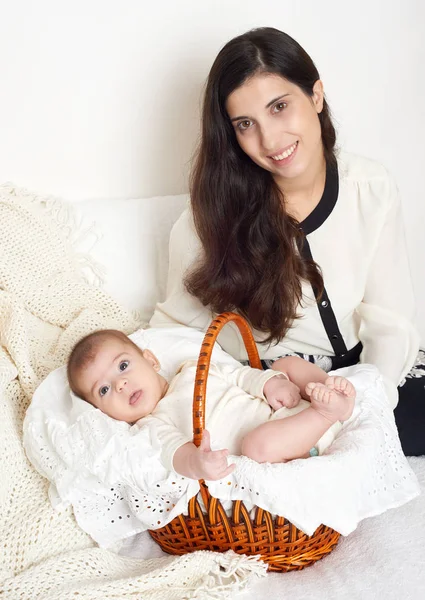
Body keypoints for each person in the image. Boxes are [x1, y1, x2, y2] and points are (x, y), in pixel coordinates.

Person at [149, 27, 424, 456]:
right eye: (246, 124)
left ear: (315, 95)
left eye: (279, 107)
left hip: (365, 372)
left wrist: (369, 399)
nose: (270, 141)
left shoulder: (369, 188)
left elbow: (390, 319)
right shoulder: (205, 221)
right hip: (274, 392)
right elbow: (177, 333)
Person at [67, 329, 356, 480]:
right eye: (103, 389)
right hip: (289, 447)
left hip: (286, 409)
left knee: (285, 363)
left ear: (151, 360)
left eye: (123, 366)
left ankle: (333, 394)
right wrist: (197, 463)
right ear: (102, 412)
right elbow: (176, 454)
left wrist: (271, 384)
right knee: (255, 446)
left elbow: (242, 375)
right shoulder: (151, 425)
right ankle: (326, 414)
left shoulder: (192, 367)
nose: (120, 384)